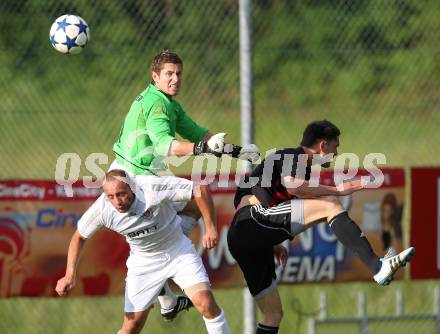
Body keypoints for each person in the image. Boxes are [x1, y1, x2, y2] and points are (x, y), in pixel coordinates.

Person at [227, 120, 415, 334]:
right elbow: (293, 186)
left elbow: (245, 201)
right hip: (251, 223)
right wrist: (337, 190)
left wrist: (267, 243)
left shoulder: (293, 166)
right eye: (336, 147)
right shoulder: (293, 156)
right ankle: (377, 267)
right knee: (330, 204)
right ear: (323, 146)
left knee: (273, 314)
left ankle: (377, 267)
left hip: (244, 238)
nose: (336, 153)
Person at [111, 49, 259, 320]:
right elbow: (165, 145)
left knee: (185, 213)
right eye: (169, 74)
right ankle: (166, 291)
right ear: (155, 76)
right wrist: (203, 148)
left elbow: (198, 133)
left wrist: (236, 150)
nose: (175, 79)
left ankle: (166, 298)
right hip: (134, 181)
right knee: (189, 208)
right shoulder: (157, 104)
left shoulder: (168, 103)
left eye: (179, 73)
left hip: (138, 176)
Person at [56, 170, 231, 334]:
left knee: (206, 303)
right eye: (111, 196)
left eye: (121, 194)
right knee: (131, 327)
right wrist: (69, 274)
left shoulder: (151, 188)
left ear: (132, 187)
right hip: (144, 264)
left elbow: (199, 190)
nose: (117, 201)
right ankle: (167, 298)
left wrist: (210, 228)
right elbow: (79, 237)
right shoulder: (103, 209)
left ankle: (167, 298)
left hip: (178, 252)